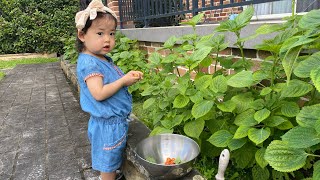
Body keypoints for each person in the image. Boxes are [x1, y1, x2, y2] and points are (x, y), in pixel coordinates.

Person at [75, 0, 143, 179]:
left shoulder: (100, 58)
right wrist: (122, 81)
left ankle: (112, 173)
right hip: (107, 127)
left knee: (111, 159)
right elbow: (98, 93)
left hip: (112, 123)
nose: (108, 39)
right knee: (107, 164)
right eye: (100, 33)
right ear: (82, 35)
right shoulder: (90, 63)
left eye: (111, 33)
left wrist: (125, 79)